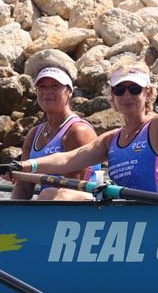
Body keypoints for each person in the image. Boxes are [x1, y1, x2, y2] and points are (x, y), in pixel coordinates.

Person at [3, 53, 158, 196]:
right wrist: (23, 165)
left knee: (50, 196)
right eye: (119, 90)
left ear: (148, 93)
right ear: (112, 97)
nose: (126, 95)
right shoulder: (111, 139)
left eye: (134, 89)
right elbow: (67, 160)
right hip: (126, 219)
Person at [10, 65, 100, 202]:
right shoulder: (34, 134)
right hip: (50, 204)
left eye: (54, 86)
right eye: (42, 87)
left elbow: (72, 187)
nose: (47, 92)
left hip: (82, 202)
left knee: (49, 194)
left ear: (69, 91)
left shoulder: (78, 131)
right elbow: (24, 186)